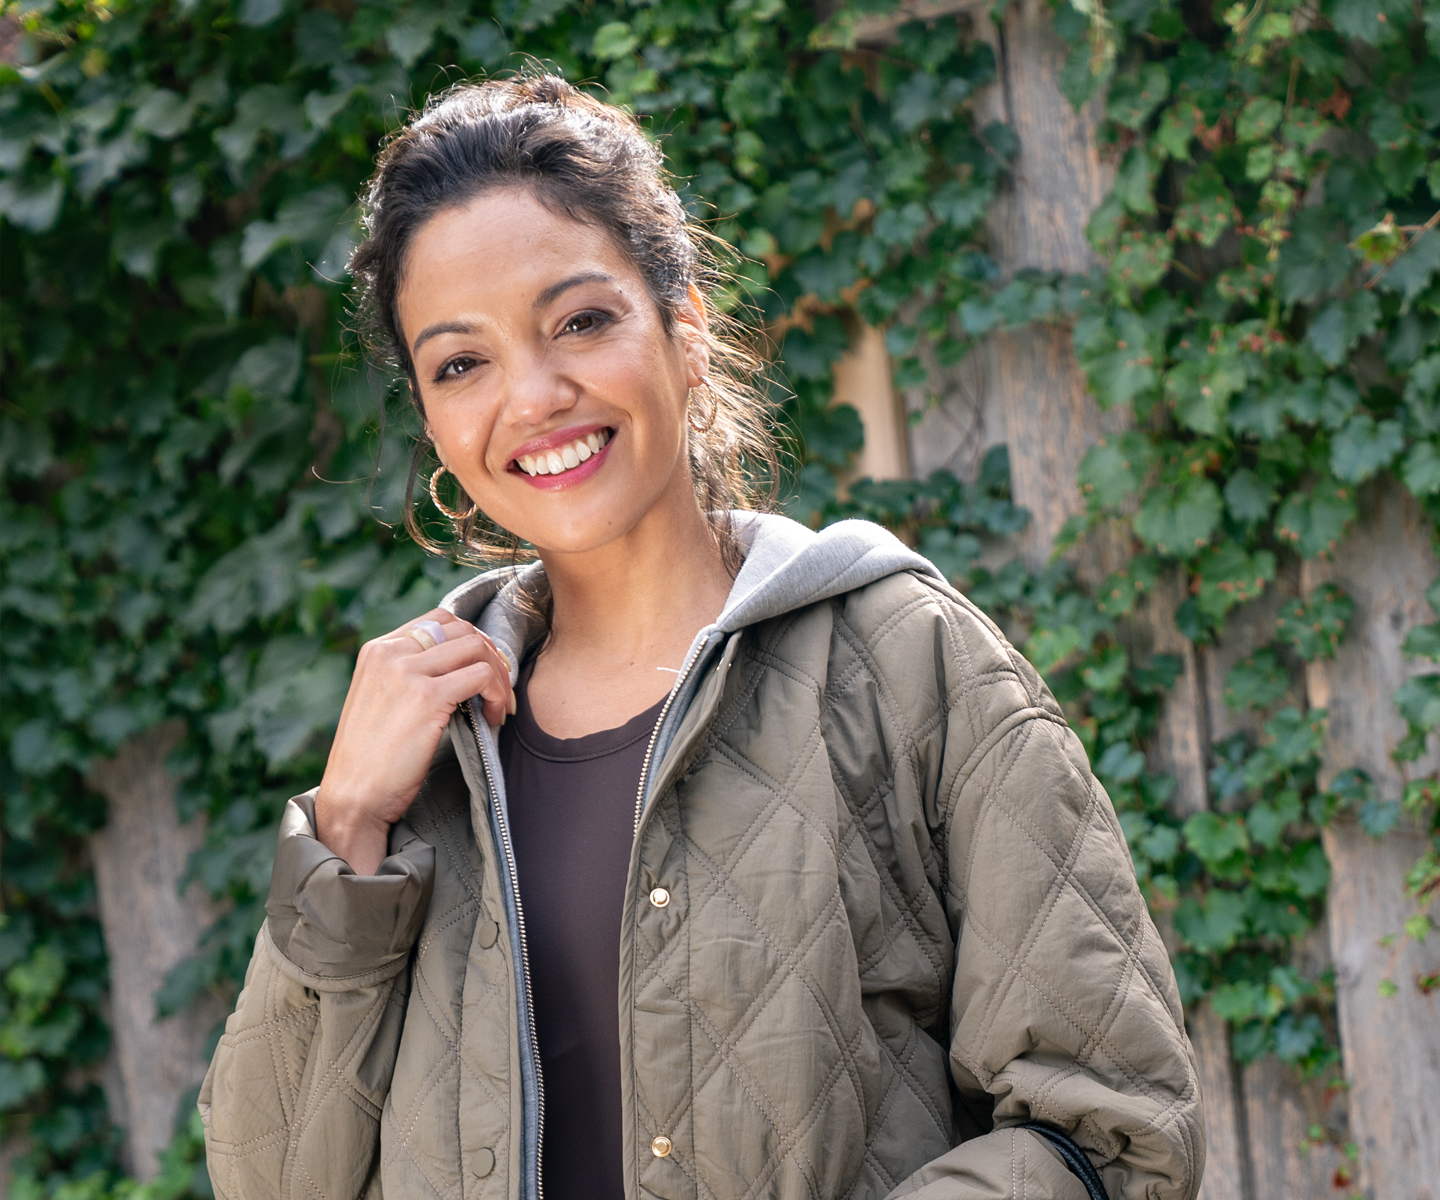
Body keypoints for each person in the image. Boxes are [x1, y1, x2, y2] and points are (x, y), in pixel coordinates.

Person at [199, 74, 1203, 1200]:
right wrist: (343, 831)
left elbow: (1110, 1127)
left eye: (581, 321)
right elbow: (268, 1182)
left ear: (685, 332)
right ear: (434, 422)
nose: (533, 395)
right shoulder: (424, 744)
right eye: (462, 363)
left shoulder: (906, 662)